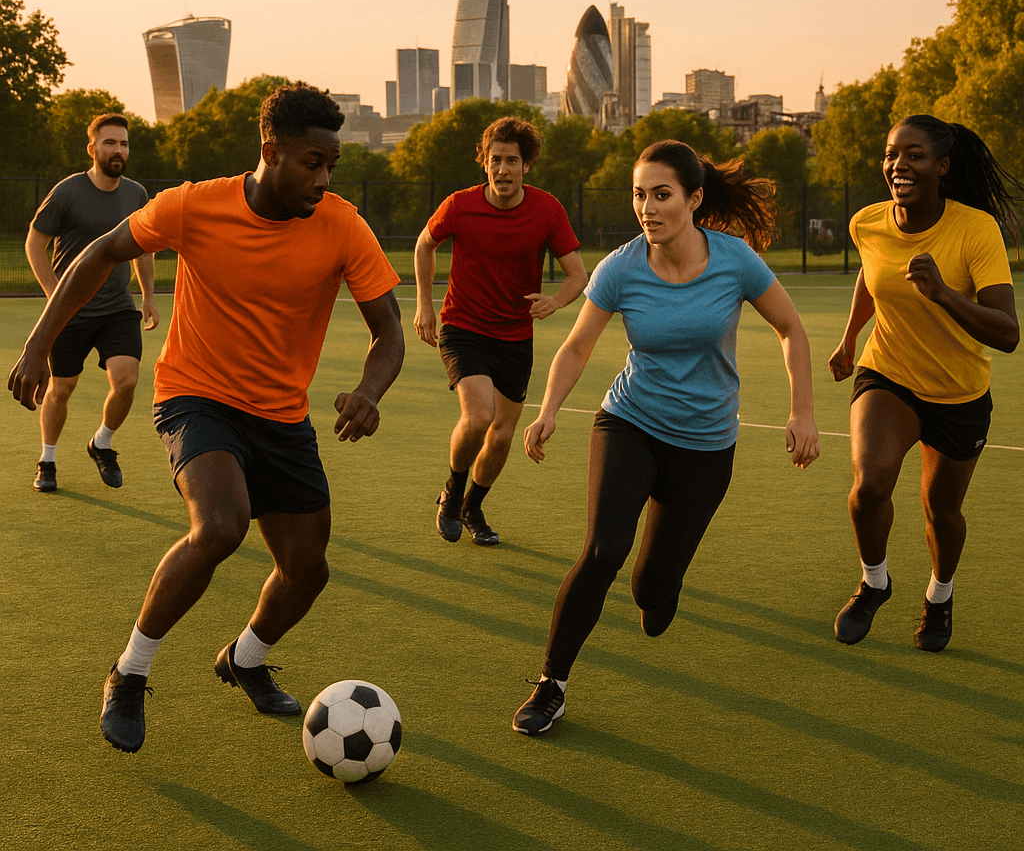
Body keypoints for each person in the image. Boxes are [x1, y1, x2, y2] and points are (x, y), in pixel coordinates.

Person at [8, 83, 405, 754]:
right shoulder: (194, 205)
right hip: (197, 397)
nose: (323, 178)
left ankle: (244, 658)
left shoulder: (341, 224)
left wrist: (371, 389)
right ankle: (129, 673)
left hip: (281, 415)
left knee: (307, 571)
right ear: (271, 152)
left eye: (331, 165)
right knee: (219, 525)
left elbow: (388, 330)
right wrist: (38, 343)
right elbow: (99, 254)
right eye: (313, 162)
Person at [513, 139, 820, 736]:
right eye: (638, 195)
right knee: (603, 550)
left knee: (653, 596)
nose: (647, 208)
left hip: (705, 446)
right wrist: (548, 409)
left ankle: (659, 586)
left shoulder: (735, 261)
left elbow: (791, 329)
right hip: (631, 422)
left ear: (694, 198)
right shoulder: (621, 268)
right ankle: (551, 684)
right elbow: (577, 346)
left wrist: (802, 411)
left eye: (661, 195)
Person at [829, 115, 1019, 653]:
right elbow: (872, 276)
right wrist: (849, 339)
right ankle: (874, 582)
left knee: (942, 510)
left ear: (941, 166)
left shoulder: (976, 229)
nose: (898, 165)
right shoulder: (867, 222)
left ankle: (939, 595)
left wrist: (944, 294)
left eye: (913, 155)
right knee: (870, 484)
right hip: (888, 372)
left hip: (959, 391)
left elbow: (1008, 333)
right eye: (892, 154)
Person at [413, 116, 587, 545]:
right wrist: (424, 305)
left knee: (503, 434)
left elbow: (577, 275)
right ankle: (451, 496)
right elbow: (424, 244)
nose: (503, 169)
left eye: (512, 160)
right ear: (484, 164)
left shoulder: (547, 209)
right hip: (463, 326)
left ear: (526, 165)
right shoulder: (460, 204)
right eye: (496, 160)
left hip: (514, 336)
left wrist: (555, 301)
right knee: (479, 417)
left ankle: (473, 505)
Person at [25, 113, 159, 492]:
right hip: (70, 311)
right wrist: (56, 297)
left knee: (127, 380)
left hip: (117, 308)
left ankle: (102, 443)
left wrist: (148, 296)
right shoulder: (67, 192)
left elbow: (142, 249)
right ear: (92, 148)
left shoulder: (136, 194)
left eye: (124, 144)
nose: (118, 150)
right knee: (61, 388)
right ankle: (47, 460)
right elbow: (35, 244)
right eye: (110, 143)